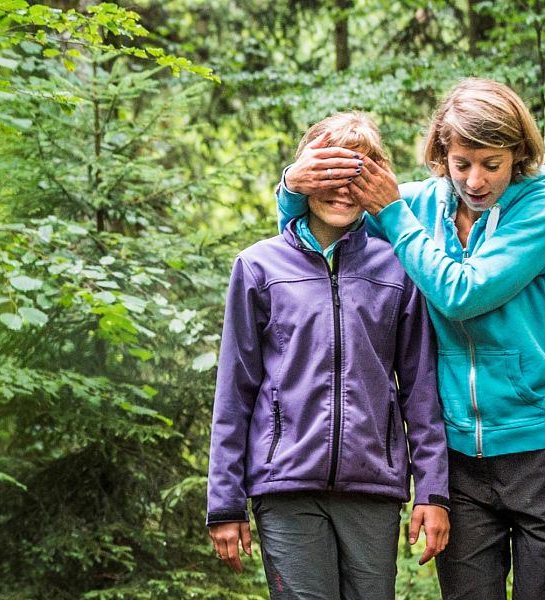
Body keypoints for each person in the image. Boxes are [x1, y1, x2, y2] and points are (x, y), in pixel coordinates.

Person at [276, 79, 545, 600]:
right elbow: (318, 234)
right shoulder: (422, 206)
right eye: (462, 162)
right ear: (442, 154)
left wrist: (394, 214)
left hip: (543, 453)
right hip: (459, 462)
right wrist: (292, 183)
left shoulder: (542, 210)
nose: (475, 180)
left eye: (492, 164)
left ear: (518, 154)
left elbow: (462, 293)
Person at [207, 111, 450, 600]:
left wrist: (433, 491)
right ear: (305, 178)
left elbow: (421, 390)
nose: (341, 189)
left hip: (372, 489)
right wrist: (225, 503)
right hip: (285, 488)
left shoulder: (400, 267)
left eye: (356, 176)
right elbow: (234, 391)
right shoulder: (259, 267)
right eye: (329, 173)